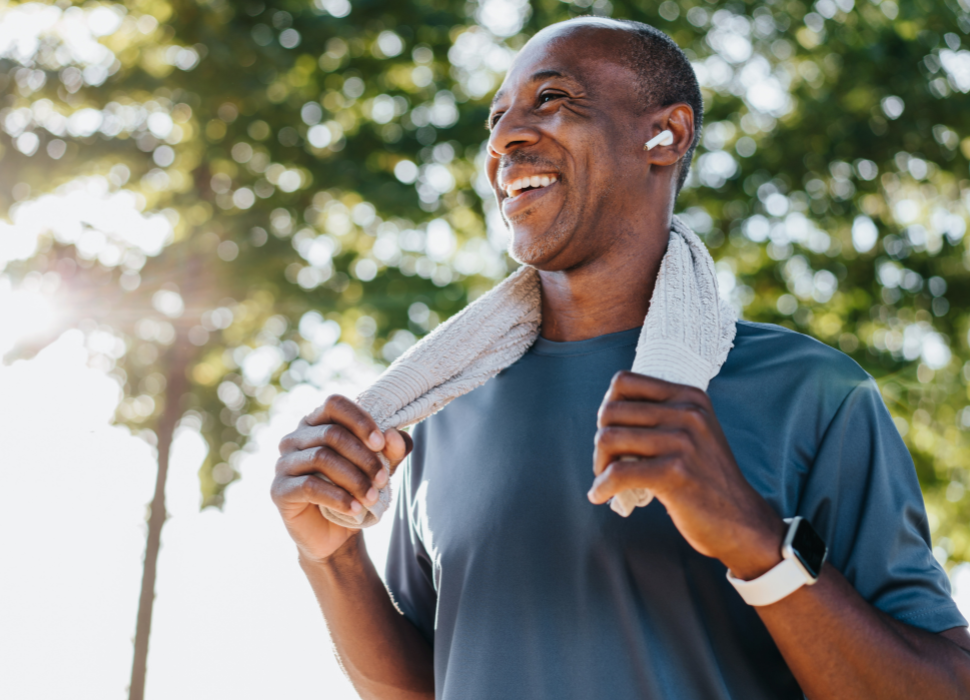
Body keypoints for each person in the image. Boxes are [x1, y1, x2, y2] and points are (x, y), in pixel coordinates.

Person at [271, 17, 970, 699]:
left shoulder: (811, 394)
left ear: (665, 134)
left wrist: (758, 543)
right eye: (497, 118)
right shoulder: (437, 410)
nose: (505, 138)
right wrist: (331, 559)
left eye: (552, 99)